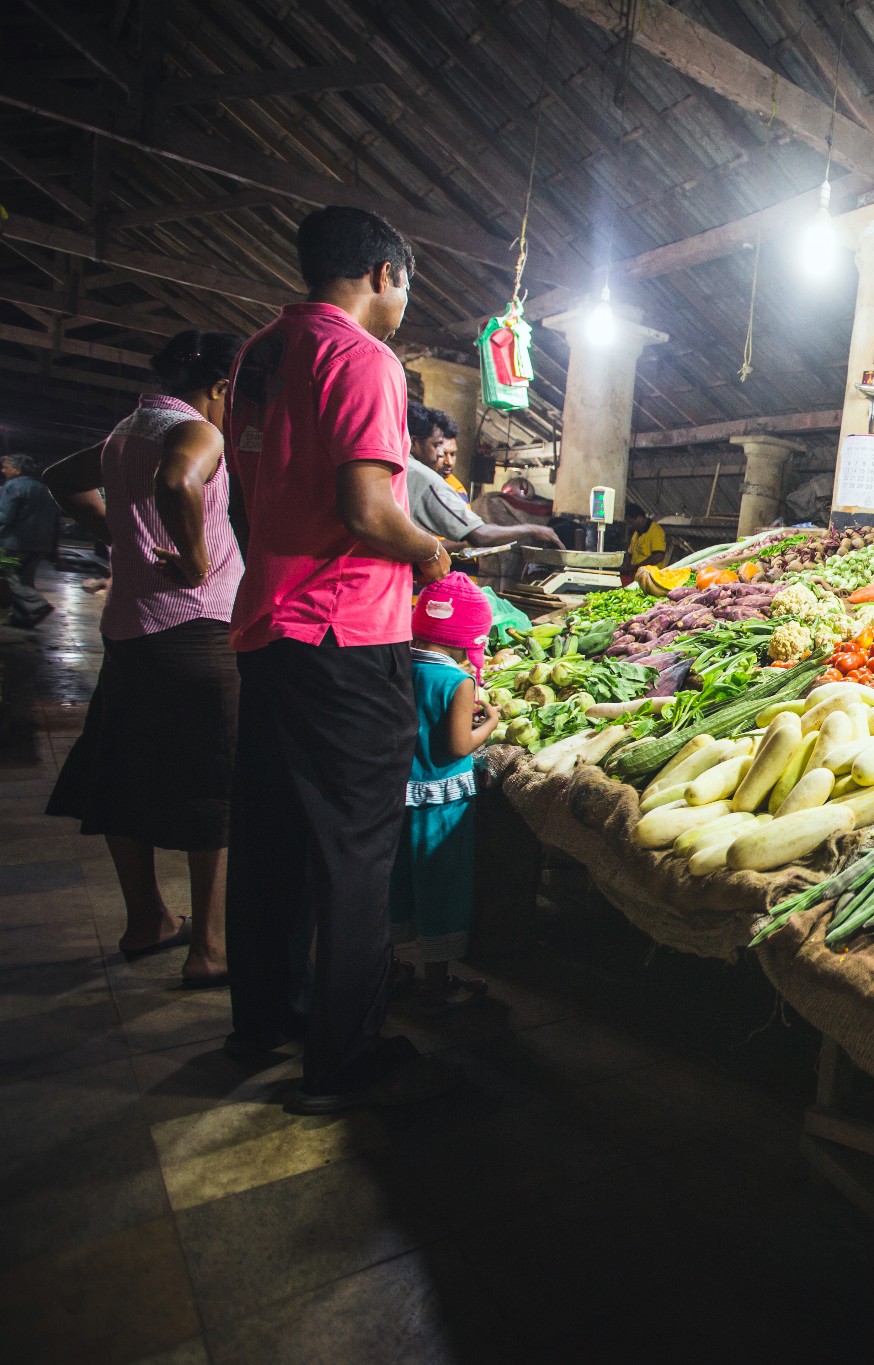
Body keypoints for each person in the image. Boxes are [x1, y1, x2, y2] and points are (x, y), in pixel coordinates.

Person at [221, 203, 461, 1114]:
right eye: (407, 285)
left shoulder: (263, 352)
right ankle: (345, 1057)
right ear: (383, 274)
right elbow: (367, 507)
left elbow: (255, 488)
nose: (405, 304)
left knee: (274, 835)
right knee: (358, 850)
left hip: (267, 623)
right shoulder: (363, 357)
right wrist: (427, 552)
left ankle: (265, 1018)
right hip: (343, 631)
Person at [44, 331, 246, 985]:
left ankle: (147, 921)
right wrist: (192, 558)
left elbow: (60, 480)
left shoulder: (129, 428)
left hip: (130, 631)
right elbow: (178, 479)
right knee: (211, 783)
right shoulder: (196, 430)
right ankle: (209, 948)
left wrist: (117, 537)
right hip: (196, 630)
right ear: (219, 387)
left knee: (121, 772)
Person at [390, 573, 497, 1013]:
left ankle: (391, 967)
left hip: (397, 797)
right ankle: (438, 984)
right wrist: (488, 722)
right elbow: (457, 746)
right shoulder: (457, 682)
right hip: (442, 805)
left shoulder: (399, 663)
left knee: (396, 885)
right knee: (441, 887)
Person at [404, 402, 561, 555]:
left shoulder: (397, 470)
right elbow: (479, 535)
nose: (442, 456)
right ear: (414, 442)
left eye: (452, 454)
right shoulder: (423, 477)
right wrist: (532, 529)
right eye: (436, 445)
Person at [0, 454, 61, 627]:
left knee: (10, 577)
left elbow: (6, 516)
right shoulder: (43, 488)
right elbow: (56, 519)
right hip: (41, 543)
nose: (3, 470)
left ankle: (38, 604)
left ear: (17, 469)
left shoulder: (12, 485)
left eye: (6, 466)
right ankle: (21, 618)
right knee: (25, 579)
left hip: (16, 542)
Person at [621, 503, 665, 580]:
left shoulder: (656, 531)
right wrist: (628, 566)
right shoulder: (636, 532)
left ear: (640, 518)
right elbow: (630, 553)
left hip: (651, 578)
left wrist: (637, 567)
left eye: (631, 522)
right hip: (636, 575)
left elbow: (658, 556)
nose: (630, 526)